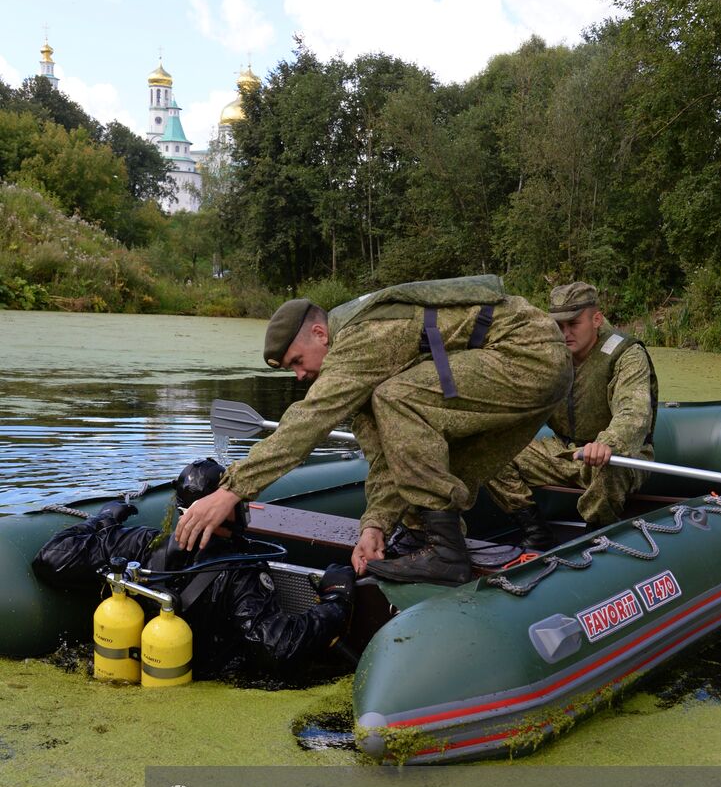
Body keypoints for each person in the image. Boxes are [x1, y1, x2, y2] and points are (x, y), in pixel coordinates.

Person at [176, 275, 572, 586]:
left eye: (297, 361)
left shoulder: (361, 339)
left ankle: (447, 554)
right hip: (526, 370)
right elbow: (386, 454)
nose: (299, 376)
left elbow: (309, 420)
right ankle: (428, 543)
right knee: (419, 446)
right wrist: (374, 525)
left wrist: (232, 490)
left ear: (319, 333)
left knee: (397, 397)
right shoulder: (361, 369)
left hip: (528, 353)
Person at [32, 459, 356, 677]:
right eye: (236, 502)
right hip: (203, 684)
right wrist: (335, 603)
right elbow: (273, 645)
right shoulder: (242, 571)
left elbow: (51, 559)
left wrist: (103, 520)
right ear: (225, 510)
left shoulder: (139, 544)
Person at [485, 281, 658, 549]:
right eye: (559, 325)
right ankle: (536, 531)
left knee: (608, 466)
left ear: (596, 319)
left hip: (620, 456)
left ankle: (596, 536)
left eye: (574, 324)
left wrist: (607, 444)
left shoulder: (627, 355)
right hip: (565, 451)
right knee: (492, 455)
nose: (565, 333)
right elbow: (518, 403)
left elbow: (632, 412)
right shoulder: (548, 356)